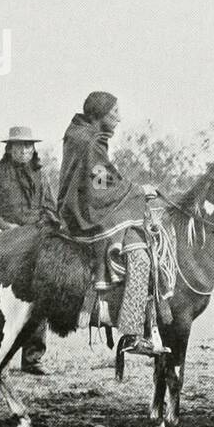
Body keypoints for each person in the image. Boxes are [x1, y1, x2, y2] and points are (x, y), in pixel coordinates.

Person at [56, 91, 161, 357]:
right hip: (85, 214)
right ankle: (132, 331)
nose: (119, 118)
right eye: (114, 113)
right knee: (140, 257)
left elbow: (101, 178)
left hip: (74, 207)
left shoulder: (80, 135)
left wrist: (130, 189)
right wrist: (138, 190)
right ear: (99, 113)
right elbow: (100, 186)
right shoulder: (90, 142)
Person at [0, 126, 56, 375]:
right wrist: (4, 226)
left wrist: (44, 225)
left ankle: (32, 358)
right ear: (9, 148)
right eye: (19, 146)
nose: (24, 151)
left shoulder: (42, 177)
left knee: (41, 297)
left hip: (33, 243)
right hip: (4, 241)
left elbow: (52, 210)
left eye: (28, 146)